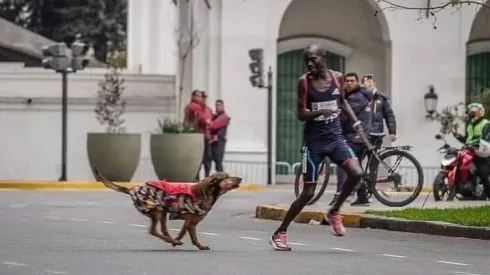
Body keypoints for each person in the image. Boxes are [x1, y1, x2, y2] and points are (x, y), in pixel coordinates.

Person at [269, 45, 374, 251]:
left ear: (324, 58)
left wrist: (356, 124)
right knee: (308, 193)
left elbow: (343, 102)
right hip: (314, 144)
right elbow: (300, 114)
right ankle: (280, 232)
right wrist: (319, 112)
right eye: (307, 61)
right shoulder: (304, 82)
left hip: (335, 139)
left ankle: (333, 211)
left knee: (356, 172)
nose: (310, 64)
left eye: (313, 59)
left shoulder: (337, 78)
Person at [332, 73, 373, 206]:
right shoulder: (355, 96)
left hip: (356, 137)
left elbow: (344, 116)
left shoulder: (357, 97)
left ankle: (339, 193)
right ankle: (362, 197)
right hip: (358, 136)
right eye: (347, 81)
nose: (349, 83)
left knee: (343, 162)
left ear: (357, 83)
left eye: (352, 81)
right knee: (357, 166)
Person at [451, 102, 490, 199]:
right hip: (469, 151)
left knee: (483, 172)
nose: (474, 113)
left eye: (476, 111)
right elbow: (467, 140)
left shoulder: (486, 123)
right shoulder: (470, 125)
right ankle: (465, 190)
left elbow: (485, 138)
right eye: (473, 112)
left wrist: (474, 144)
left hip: (481, 152)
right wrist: (457, 135)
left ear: (481, 112)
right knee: (461, 166)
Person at [184, 90, 212, 181]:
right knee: (201, 158)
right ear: (194, 97)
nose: (201, 98)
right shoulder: (195, 107)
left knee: (202, 158)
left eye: (202, 97)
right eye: (199, 96)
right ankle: (198, 177)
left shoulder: (191, 107)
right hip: (200, 136)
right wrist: (210, 123)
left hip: (196, 135)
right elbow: (204, 120)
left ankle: (198, 176)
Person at [361, 74, 396, 146]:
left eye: (370, 80)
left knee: (374, 155)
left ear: (374, 83)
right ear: (362, 84)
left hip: (376, 134)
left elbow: (389, 115)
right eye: (366, 81)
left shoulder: (381, 98)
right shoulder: (360, 97)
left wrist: (392, 132)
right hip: (363, 134)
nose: (369, 82)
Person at [209, 99, 230, 172]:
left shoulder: (224, 116)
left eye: (219, 105)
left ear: (223, 106)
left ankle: (221, 178)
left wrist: (209, 122)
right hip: (214, 141)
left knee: (218, 161)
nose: (217, 107)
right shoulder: (216, 116)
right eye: (216, 105)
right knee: (211, 160)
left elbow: (214, 125)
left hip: (219, 141)